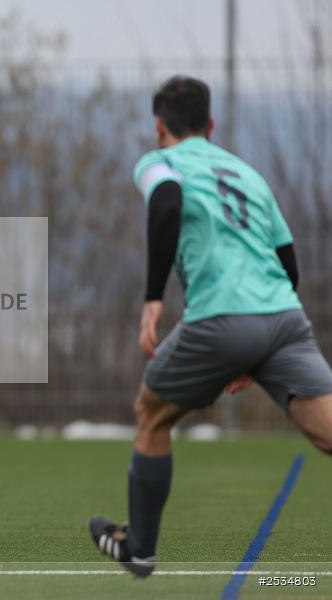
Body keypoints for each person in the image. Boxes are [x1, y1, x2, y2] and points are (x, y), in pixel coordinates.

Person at [89, 75, 332, 577]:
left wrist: (154, 298)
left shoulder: (159, 162)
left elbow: (167, 203)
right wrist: (259, 350)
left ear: (159, 127)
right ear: (211, 124)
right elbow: (289, 261)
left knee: (151, 413)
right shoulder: (247, 174)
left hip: (221, 318)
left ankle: (138, 547)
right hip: (285, 317)